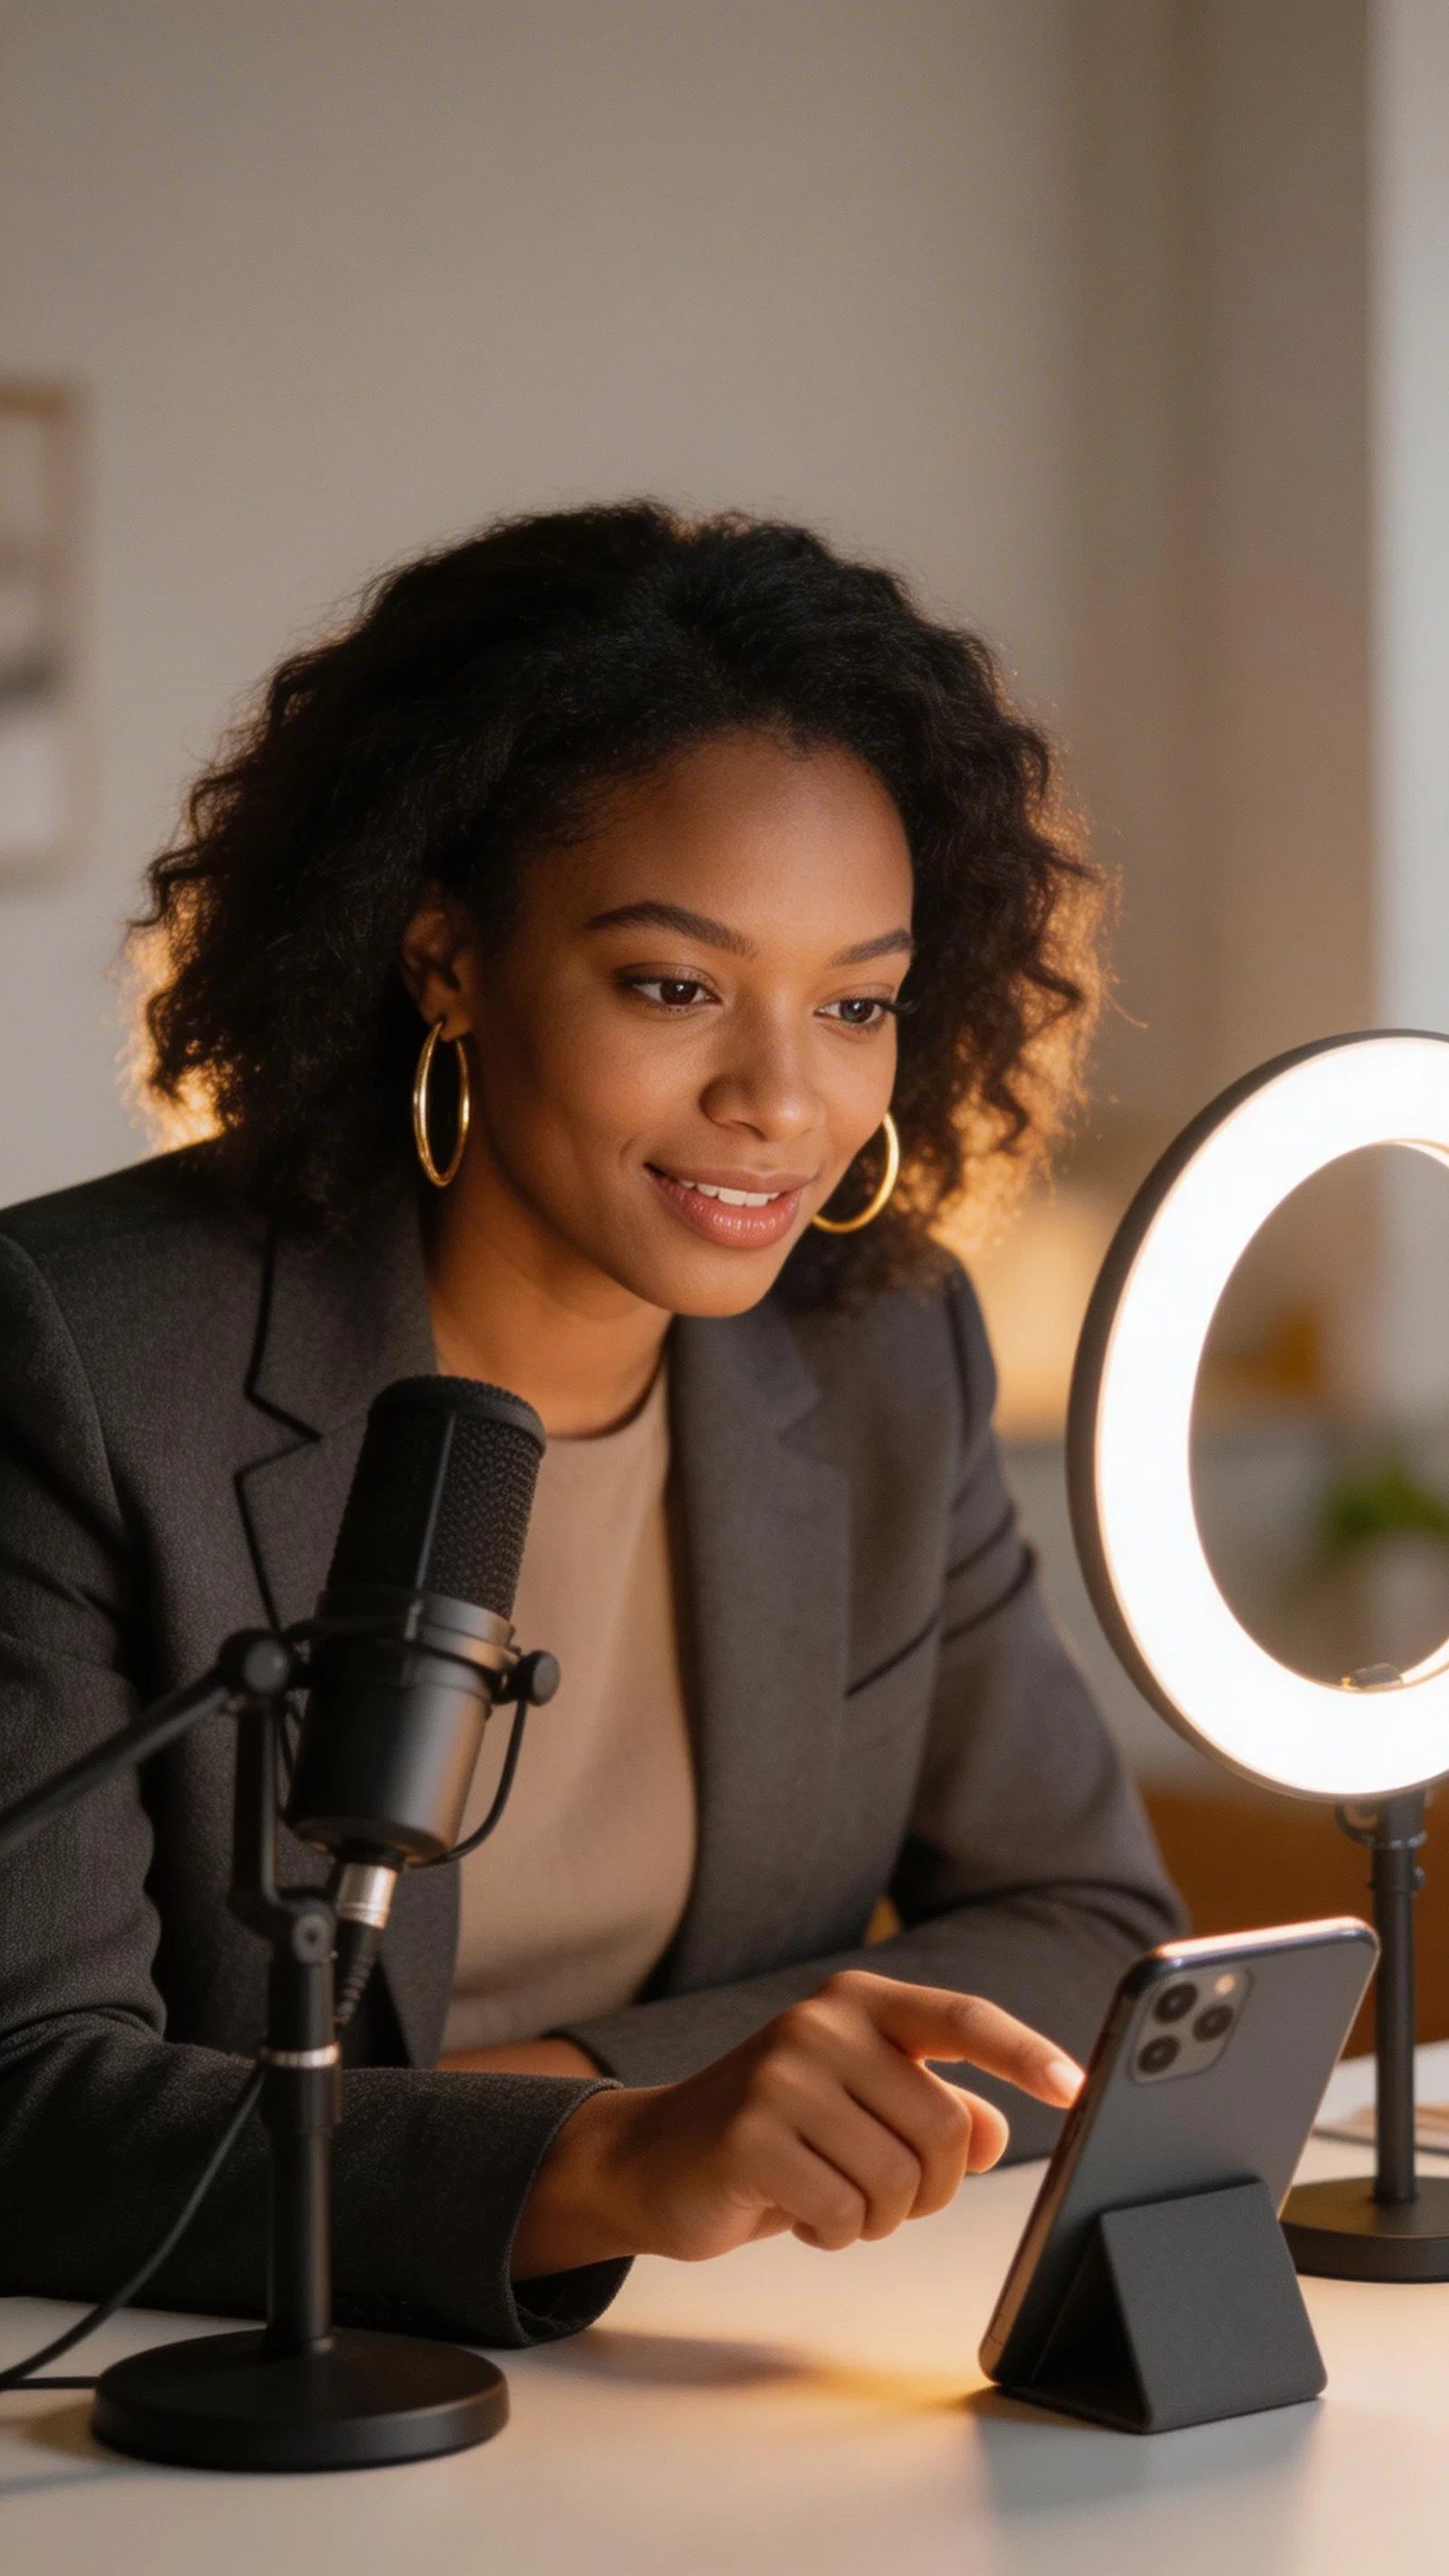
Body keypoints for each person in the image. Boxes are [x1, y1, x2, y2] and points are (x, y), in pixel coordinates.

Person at [0, 503, 1179, 2350]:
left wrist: (610, 2102)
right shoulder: (75, 1353)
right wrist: (599, 2158)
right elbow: (27, 2104)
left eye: (855, 1002)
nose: (779, 1100)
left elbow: (1086, 1933)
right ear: (446, 959)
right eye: (671, 985)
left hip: (681, 2407)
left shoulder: (880, 1351)